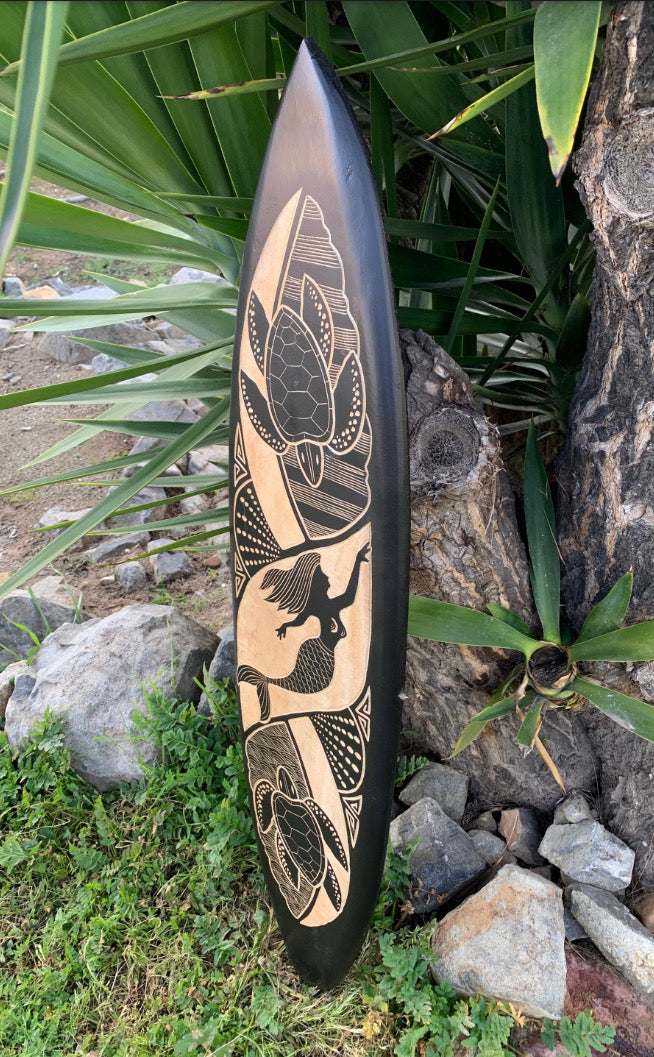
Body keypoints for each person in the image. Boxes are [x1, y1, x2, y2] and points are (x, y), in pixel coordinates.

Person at [238, 543, 369, 720]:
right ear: (313, 582)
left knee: (311, 686)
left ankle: (266, 684)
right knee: (310, 686)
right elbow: (301, 619)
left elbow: (349, 596)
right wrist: (286, 626)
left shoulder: (327, 606)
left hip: (321, 657)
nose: (327, 576)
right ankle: (267, 688)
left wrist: (357, 561)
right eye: (322, 573)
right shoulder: (318, 608)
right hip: (318, 659)